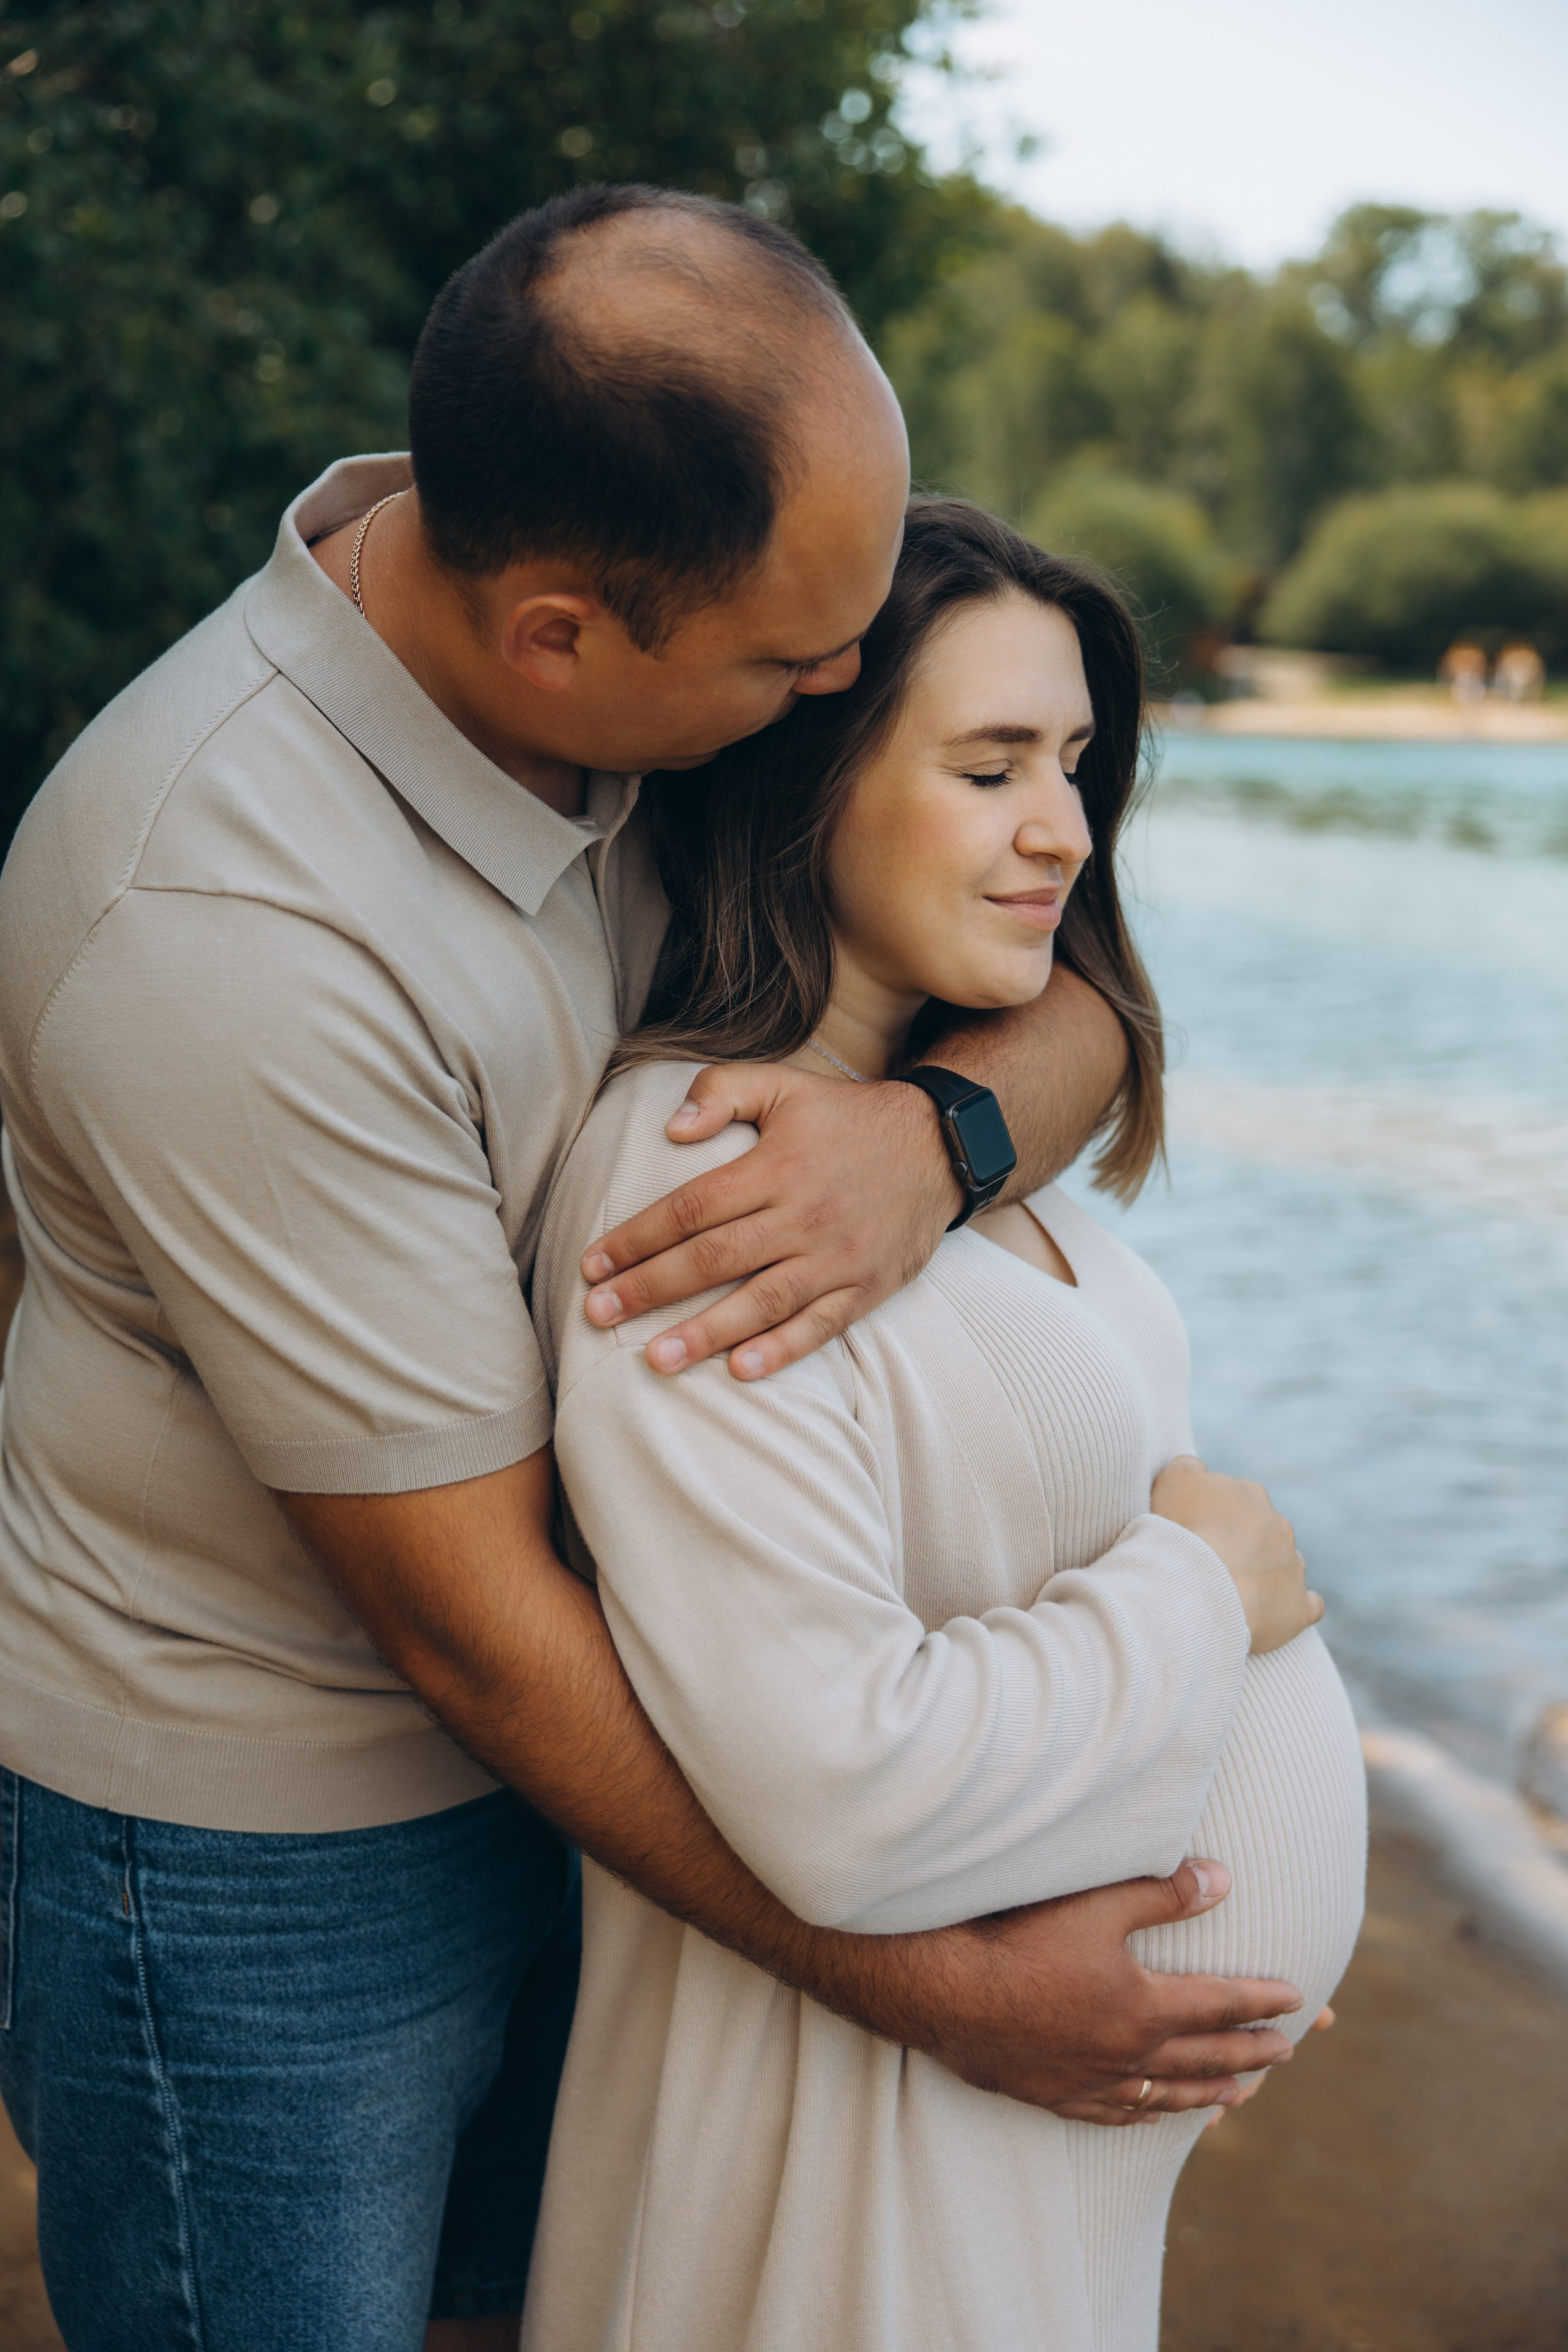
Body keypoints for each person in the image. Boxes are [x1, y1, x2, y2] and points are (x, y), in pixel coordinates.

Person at [0, 189, 1305, 2352]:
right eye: (803, 670)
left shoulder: (660, 659)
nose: (830, 692)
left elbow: (1077, 973)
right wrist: (942, 1993)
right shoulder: (224, 929)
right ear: (561, 640)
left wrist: (937, 1140)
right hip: (258, 1845)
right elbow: (472, 1626)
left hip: (617, 1756)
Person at [525, 500, 1365, 2352]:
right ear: (806, 781)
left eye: (1074, 763)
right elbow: (839, 1785)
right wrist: (1202, 1598)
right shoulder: (707, 1198)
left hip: (1027, 2153)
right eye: (989, 768)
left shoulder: (937, 1140)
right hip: (871, 2179)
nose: (1065, 828)